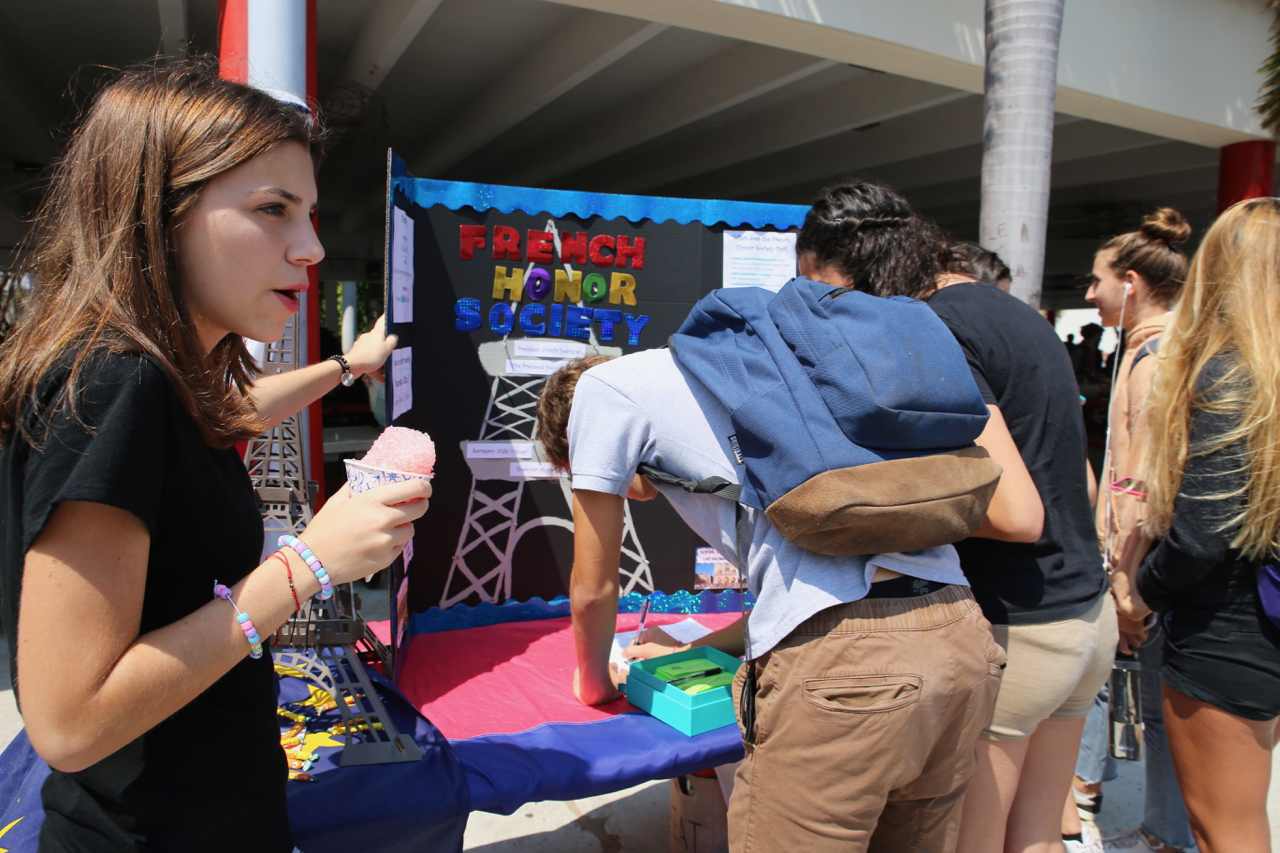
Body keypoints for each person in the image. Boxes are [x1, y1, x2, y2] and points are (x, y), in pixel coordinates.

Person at [0, 61, 430, 851]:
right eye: (273, 209)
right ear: (157, 216)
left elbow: (231, 412)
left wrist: (345, 366)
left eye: (309, 213)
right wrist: (306, 564)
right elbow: (67, 722)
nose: (311, 248)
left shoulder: (157, 382)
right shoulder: (112, 385)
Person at [536, 181, 1019, 853]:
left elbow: (592, 586)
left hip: (845, 671)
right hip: (959, 637)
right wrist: (703, 647)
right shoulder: (752, 370)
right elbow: (804, 583)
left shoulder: (601, 391)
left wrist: (594, 681)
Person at [873, 232, 1114, 853]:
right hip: (1086, 613)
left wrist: (894, 511)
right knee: (1036, 833)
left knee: (973, 839)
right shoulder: (1025, 320)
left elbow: (1015, 515)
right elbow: (1080, 484)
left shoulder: (936, 328)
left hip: (1020, 625)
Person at [1133, 197, 1280, 853]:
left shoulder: (1232, 374)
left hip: (1225, 621)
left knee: (1223, 824)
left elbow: (1203, 532)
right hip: (1261, 611)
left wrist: (1146, 587)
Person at [1068, 209, 1195, 853]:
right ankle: (1162, 829)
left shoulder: (1154, 359)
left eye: (1097, 280)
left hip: (1147, 570)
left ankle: (1166, 835)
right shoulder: (1163, 348)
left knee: (1164, 716)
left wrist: (1126, 583)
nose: (1088, 294)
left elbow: (1139, 487)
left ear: (1132, 282)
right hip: (1154, 567)